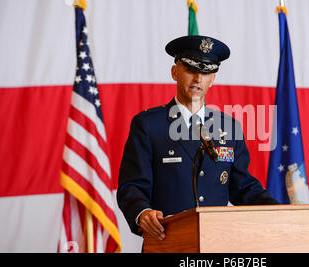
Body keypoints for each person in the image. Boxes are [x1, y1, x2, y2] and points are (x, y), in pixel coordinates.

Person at [117, 35, 279, 242]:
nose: (197, 79)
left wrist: (282, 211)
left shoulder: (229, 127)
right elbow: (132, 187)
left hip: (217, 243)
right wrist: (142, 213)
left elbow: (243, 187)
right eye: (191, 70)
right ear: (175, 72)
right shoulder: (149, 124)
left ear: (213, 79)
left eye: (206, 72)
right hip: (167, 242)